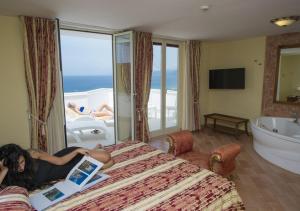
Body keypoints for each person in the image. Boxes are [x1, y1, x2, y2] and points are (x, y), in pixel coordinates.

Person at [0, 144, 114, 191]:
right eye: (16, 166)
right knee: (110, 163)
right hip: (66, 173)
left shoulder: (32, 154)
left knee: (106, 156)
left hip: (67, 159)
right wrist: (5, 169)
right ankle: (94, 150)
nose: (21, 167)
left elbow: (60, 161)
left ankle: (92, 150)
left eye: (22, 162)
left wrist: (76, 152)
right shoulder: (10, 176)